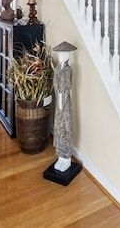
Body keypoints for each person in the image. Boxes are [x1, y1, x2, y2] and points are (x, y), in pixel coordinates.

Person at [52, 41, 77, 172]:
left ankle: (66, 157)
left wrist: (63, 99)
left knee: (66, 127)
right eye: (61, 54)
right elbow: (56, 85)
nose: (62, 56)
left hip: (65, 101)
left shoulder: (68, 70)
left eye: (65, 54)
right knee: (59, 127)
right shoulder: (57, 69)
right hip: (58, 101)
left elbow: (66, 87)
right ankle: (60, 156)